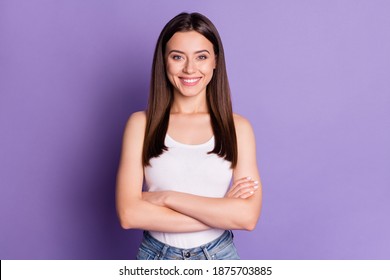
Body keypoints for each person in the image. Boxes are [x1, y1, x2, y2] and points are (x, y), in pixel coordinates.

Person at [116, 12, 262, 260]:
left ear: (215, 60)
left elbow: (247, 218)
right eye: (177, 57)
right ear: (164, 61)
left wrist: (166, 197)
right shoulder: (141, 124)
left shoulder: (238, 128)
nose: (189, 69)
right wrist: (220, 211)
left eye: (201, 57)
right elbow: (130, 215)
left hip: (219, 257)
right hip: (156, 258)